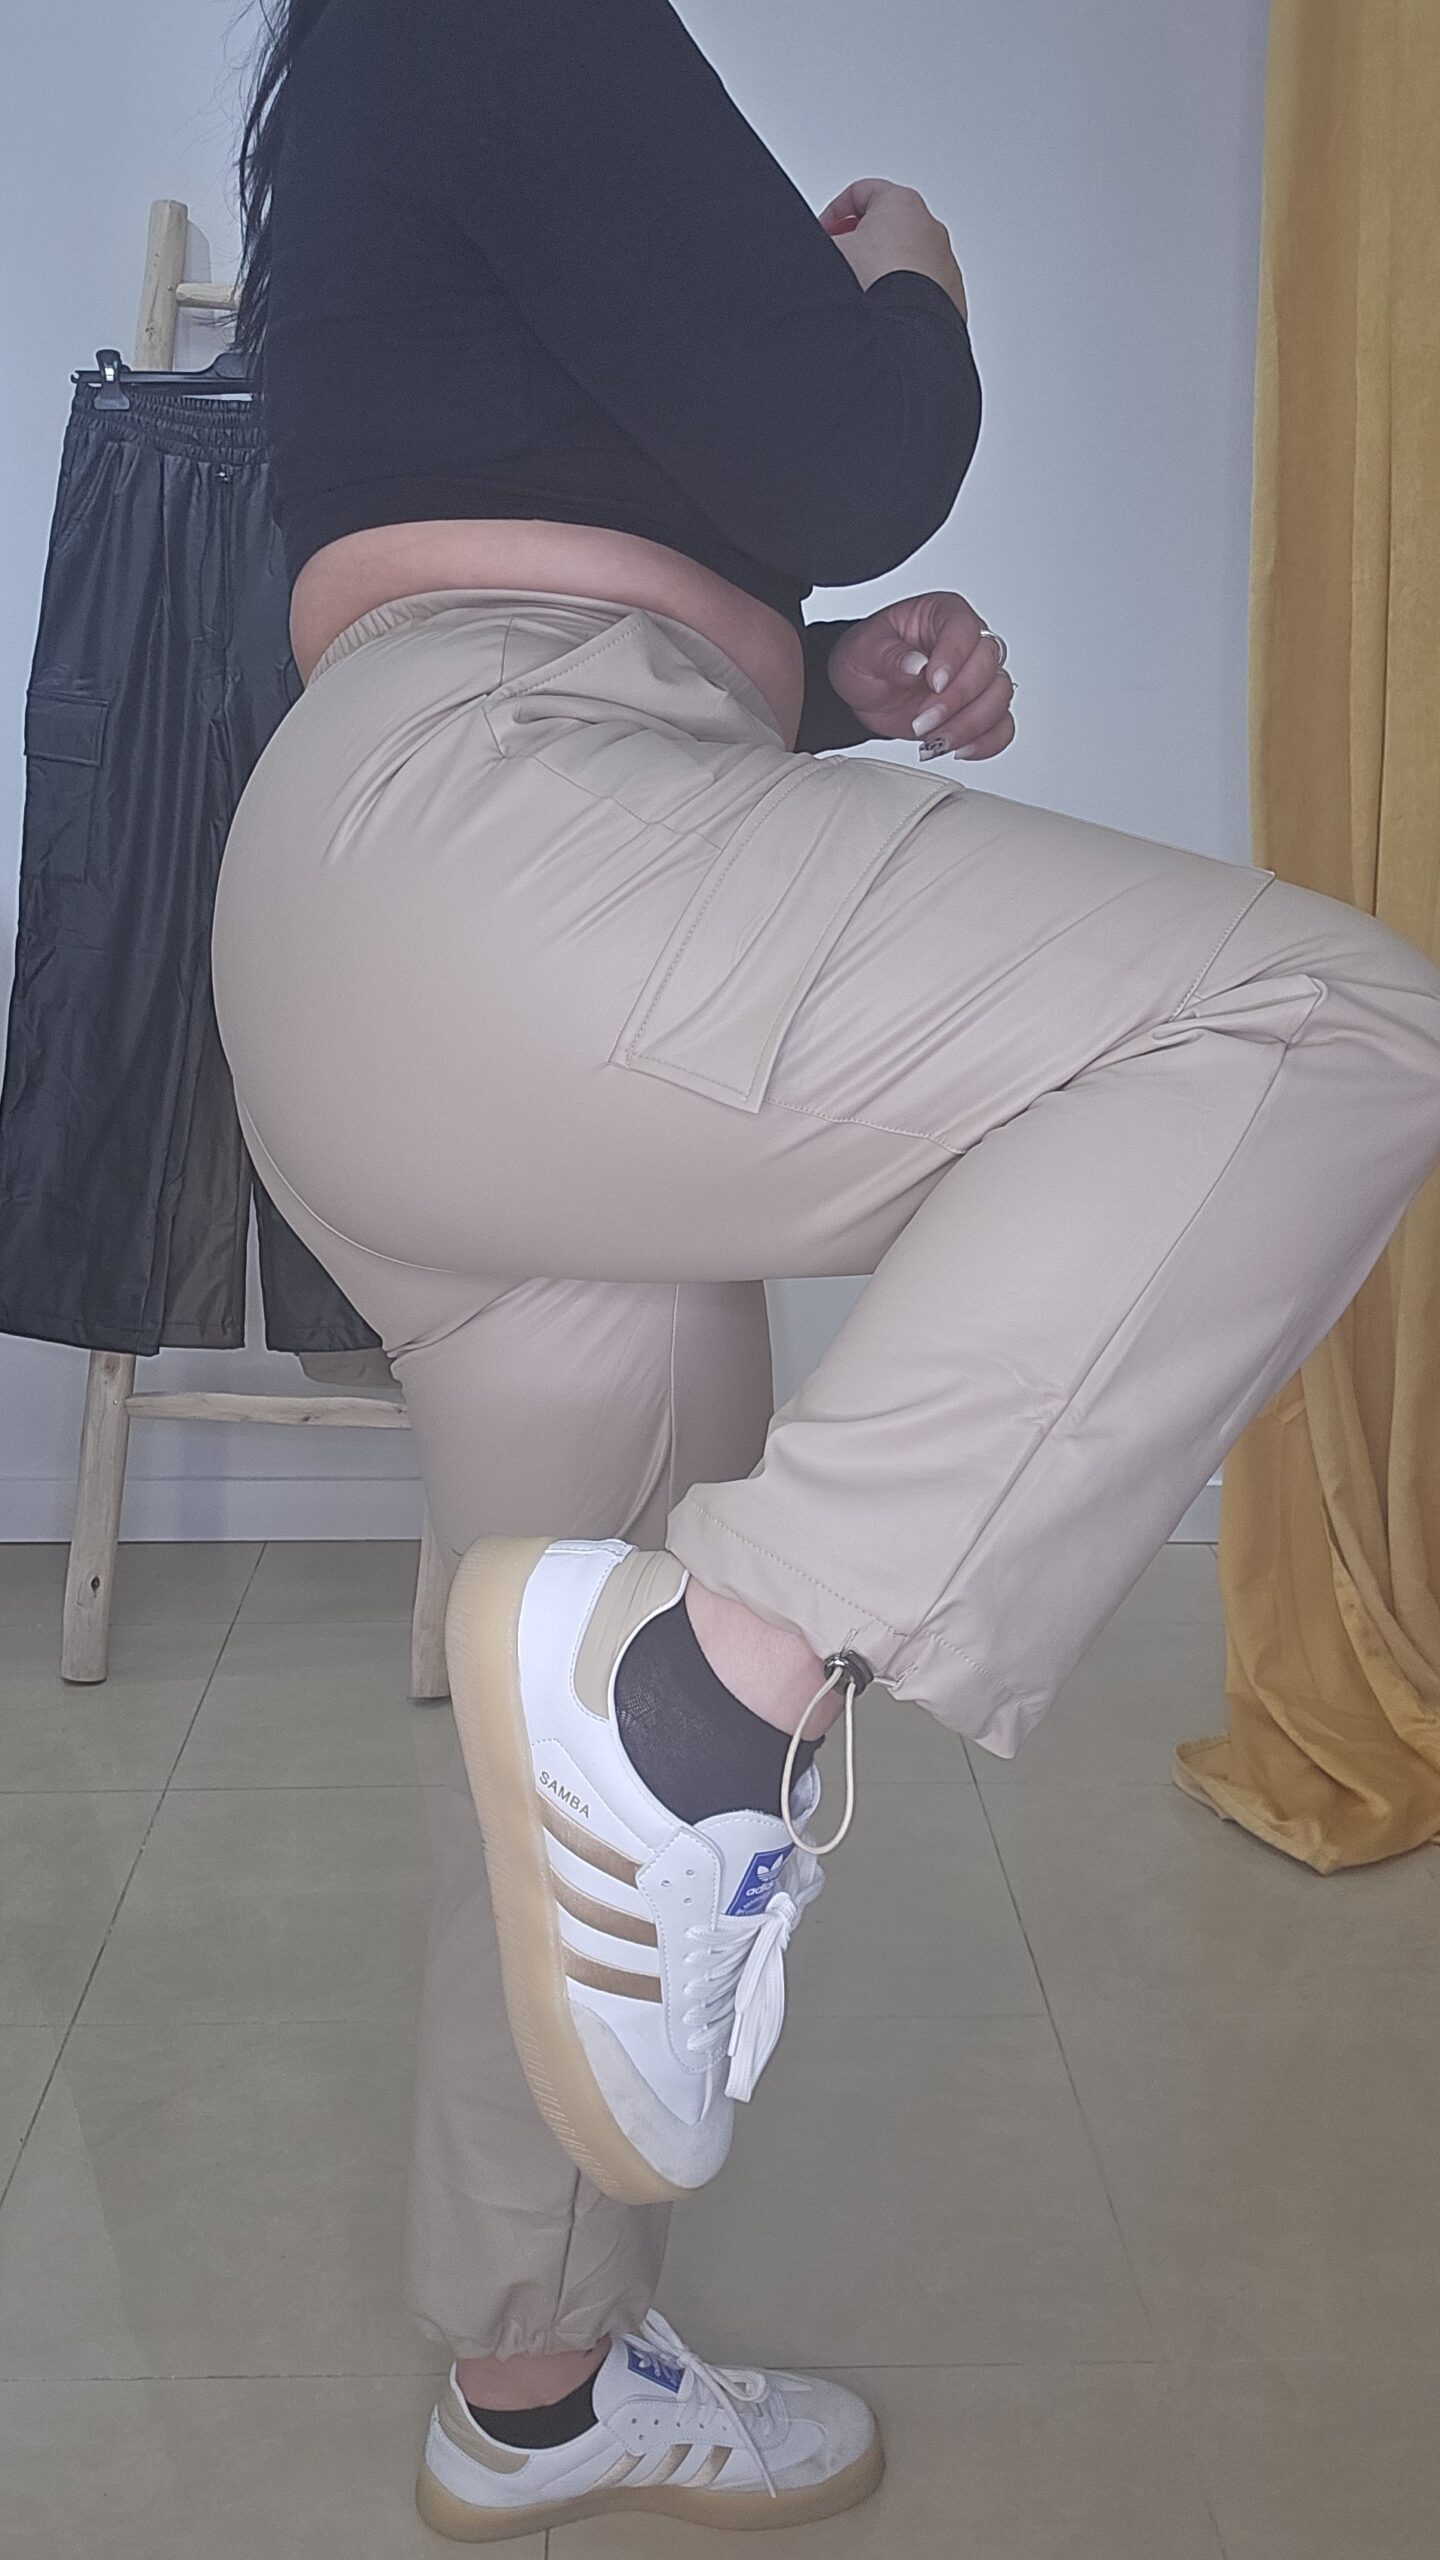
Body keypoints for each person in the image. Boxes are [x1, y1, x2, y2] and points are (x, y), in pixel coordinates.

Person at [214, 0, 1440, 2539]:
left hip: (413, 917)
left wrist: (808, 689)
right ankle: (706, 1698)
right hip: (511, 839)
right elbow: (862, 451)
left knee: (540, 1720)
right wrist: (914, 270)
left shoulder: (377, 70)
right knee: (1326, 1020)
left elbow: (541, 524)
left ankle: (532, 2388)